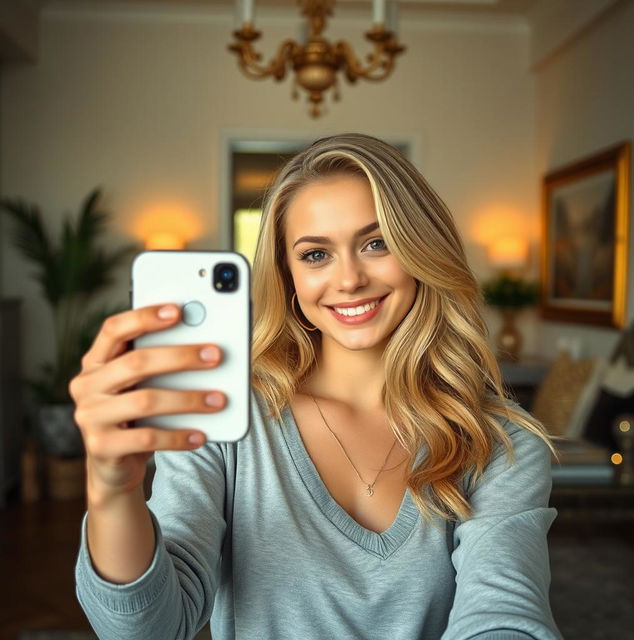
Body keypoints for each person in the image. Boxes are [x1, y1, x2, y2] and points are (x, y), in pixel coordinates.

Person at [73, 132, 562, 640]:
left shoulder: (499, 442)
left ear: (421, 250)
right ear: (286, 275)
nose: (348, 279)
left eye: (377, 243)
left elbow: (505, 619)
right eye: (315, 255)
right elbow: (147, 630)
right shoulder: (224, 419)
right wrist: (112, 491)